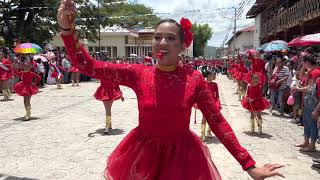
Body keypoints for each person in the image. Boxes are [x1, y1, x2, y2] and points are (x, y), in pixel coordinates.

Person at [57, 1, 284, 179]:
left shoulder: (194, 79)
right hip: (141, 156)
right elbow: (88, 66)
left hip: (182, 160)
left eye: (170, 38)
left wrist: (249, 165)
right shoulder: (138, 73)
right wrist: (67, 30)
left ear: (182, 45)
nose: (162, 42)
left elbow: (218, 122)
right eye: (157, 37)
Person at [200, 70, 221, 141]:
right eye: (213, 75)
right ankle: (202, 133)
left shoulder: (215, 84)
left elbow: (217, 95)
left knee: (212, 118)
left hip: (213, 103)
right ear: (208, 76)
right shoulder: (203, 83)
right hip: (205, 102)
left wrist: (218, 102)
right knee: (204, 117)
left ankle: (209, 131)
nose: (215, 76)